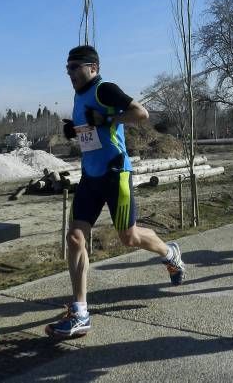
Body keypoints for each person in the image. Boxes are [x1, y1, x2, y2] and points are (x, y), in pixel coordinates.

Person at [47, 45, 186, 338]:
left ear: (93, 68)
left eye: (75, 67)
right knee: (74, 238)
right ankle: (81, 311)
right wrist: (76, 129)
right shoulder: (78, 95)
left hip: (114, 173)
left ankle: (170, 253)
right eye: (67, 68)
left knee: (129, 237)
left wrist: (107, 120)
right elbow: (92, 129)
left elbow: (140, 113)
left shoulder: (104, 89)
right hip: (90, 175)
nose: (69, 73)